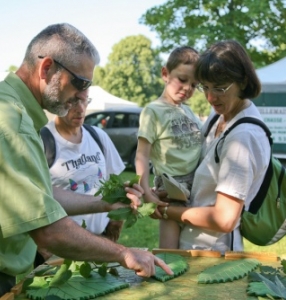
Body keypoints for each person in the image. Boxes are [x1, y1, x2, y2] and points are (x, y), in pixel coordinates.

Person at [0, 23, 172, 296]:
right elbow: (48, 231)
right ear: (46, 69)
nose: (82, 96)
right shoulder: (13, 123)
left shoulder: (12, 109)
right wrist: (124, 253)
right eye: (80, 83)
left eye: (87, 87)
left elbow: (42, 196)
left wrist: (106, 203)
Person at [155, 40, 270, 253]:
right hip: (190, 247)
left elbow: (224, 218)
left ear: (243, 81)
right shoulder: (220, 115)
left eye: (219, 88)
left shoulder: (243, 137)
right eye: (204, 87)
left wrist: (167, 212)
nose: (210, 97)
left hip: (215, 256)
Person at [35, 99, 125, 265]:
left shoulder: (98, 136)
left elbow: (116, 185)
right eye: (73, 102)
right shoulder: (42, 140)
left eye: (85, 101)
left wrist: (113, 231)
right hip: (60, 252)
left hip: (101, 245)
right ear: (57, 104)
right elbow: (36, 201)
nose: (81, 109)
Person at [135, 46, 202, 249]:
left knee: (195, 249)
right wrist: (146, 192)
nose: (188, 88)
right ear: (165, 74)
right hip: (172, 189)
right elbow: (141, 155)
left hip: (198, 185)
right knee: (170, 253)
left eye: (194, 84)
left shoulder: (190, 112)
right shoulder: (153, 111)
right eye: (182, 79)